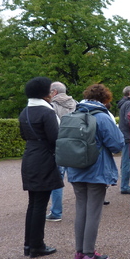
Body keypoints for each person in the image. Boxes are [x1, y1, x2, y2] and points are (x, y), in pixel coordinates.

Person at [67, 84, 124, 259]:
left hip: (75, 168)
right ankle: (89, 254)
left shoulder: (74, 114)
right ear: (105, 99)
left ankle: (79, 252)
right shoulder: (101, 116)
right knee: (93, 212)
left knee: (81, 210)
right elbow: (116, 144)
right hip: (96, 169)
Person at [18, 77, 64, 257]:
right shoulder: (47, 112)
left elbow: (23, 135)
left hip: (30, 155)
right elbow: (55, 138)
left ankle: (29, 244)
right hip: (44, 157)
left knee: (33, 203)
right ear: (46, 93)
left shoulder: (25, 111)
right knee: (40, 205)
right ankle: (37, 245)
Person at [46, 81, 76, 221]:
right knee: (77, 177)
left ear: (54, 92)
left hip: (60, 145)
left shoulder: (52, 106)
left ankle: (56, 212)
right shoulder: (75, 104)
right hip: (76, 144)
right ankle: (83, 208)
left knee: (57, 180)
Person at [117, 86, 130, 194]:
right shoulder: (129, 104)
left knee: (125, 161)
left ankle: (124, 184)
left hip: (123, 134)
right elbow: (129, 119)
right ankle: (124, 186)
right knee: (126, 162)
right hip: (128, 135)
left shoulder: (123, 103)